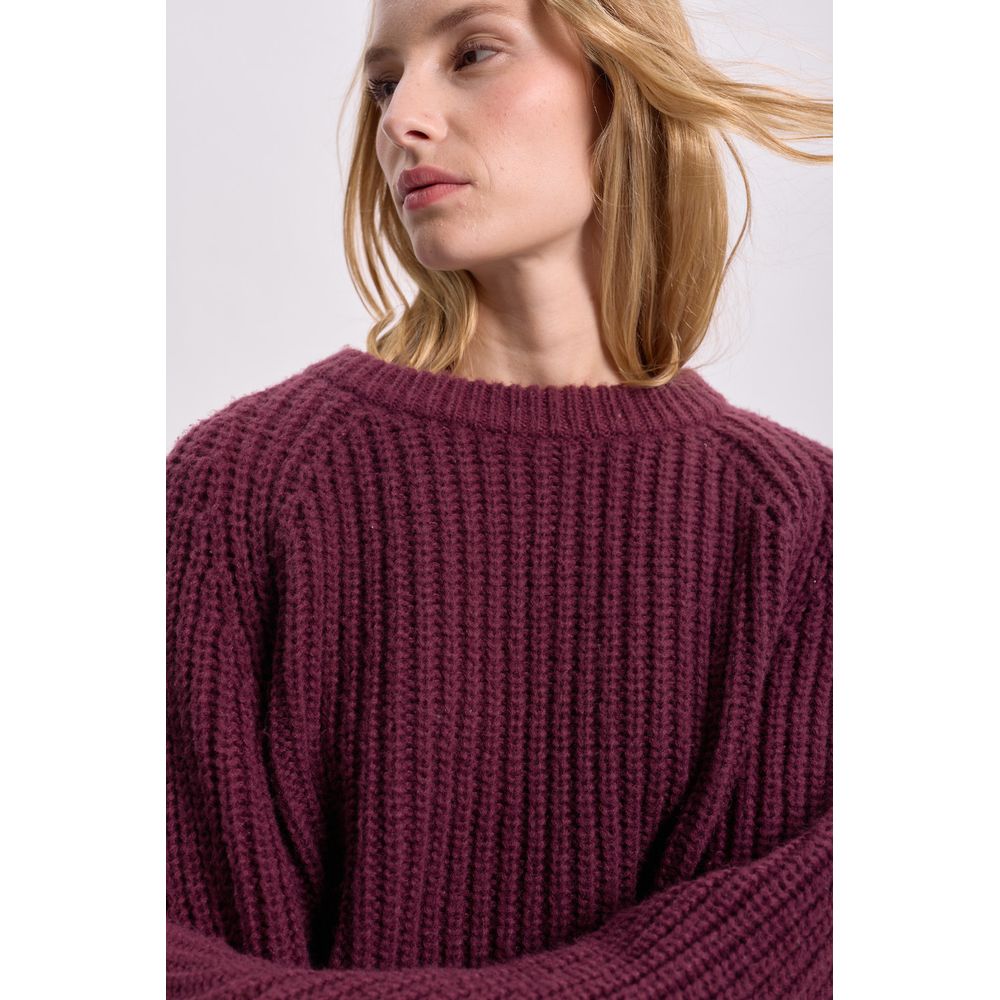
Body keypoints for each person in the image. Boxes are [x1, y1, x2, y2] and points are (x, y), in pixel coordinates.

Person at [167, 0, 832, 996]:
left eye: (473, 53)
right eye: (384, 83)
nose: (402, 119)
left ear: (620, 82)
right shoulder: (241, 488)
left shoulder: (802, 526)